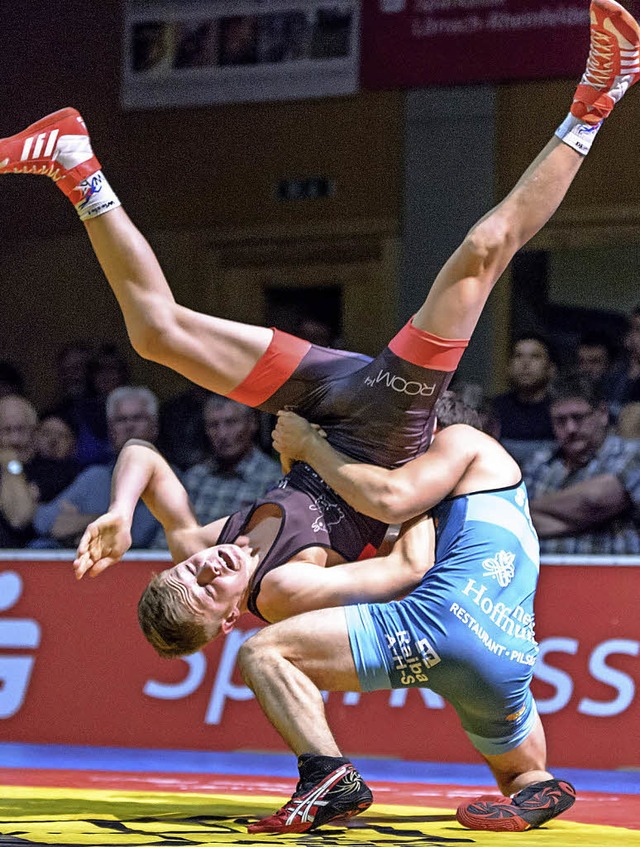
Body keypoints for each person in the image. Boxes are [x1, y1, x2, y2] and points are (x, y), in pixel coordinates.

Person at [1, 0, 637, 648]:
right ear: (226, 619)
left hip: (319, 404)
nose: (210, 566)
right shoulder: (281, 591)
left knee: (155, 333)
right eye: (210, 588)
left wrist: (120, 508)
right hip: (382, 434)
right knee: (483, 250)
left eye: (190, 569)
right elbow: (405, 567)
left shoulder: (200, 537)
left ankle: (75, 164)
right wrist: (415, 485)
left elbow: (140, 453)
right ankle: (600, 95)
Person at [235, 391, 576, 834]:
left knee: (264, 654)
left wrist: (311, 448)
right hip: (507, 657)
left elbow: (391, 502)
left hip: (437, 623)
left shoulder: (462, 439)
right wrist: (299, 461)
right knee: (520, 775)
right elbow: (368, 537)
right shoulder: (472, 498)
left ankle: (329, 778)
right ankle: (540, 787)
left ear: (425, 432)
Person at [523, 372, 640, 554]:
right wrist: (585, 517)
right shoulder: (538, 464)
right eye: (560, 421)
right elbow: (518, 524)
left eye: (578, 417)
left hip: (614, 578)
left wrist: (527, 510)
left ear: (602, 413)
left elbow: (593, 501)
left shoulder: (631, 454)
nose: (570, 429)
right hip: (548, 578)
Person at [32, 386, 163, 548]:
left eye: (138, 418)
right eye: (120, 420)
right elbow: (43, 522)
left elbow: (137, 533)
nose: (129, 426)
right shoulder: (96, 476)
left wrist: (81, 522)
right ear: (111, 431)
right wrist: (106, 523)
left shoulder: (170, 479)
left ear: (155, 427)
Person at [181, 395, 281, 527]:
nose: (222, 434)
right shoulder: (195, 478)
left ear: (252, 423)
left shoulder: (273, 479)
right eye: (213, 425)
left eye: (231, 422)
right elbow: (167, 536)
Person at [491, 332, 557, 463]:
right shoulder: (495, 409)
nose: (525, 363)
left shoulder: (562, 413)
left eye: (535, 357)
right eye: (518, 356)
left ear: (551, 368)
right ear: (508, 367)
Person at [0, 394, 39, 547]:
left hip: (30, 563)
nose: (15, 440)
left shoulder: (50, 469)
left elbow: (18, 518)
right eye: (7, 431)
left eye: (21, 430)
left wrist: (11, 464)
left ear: (34, 432)